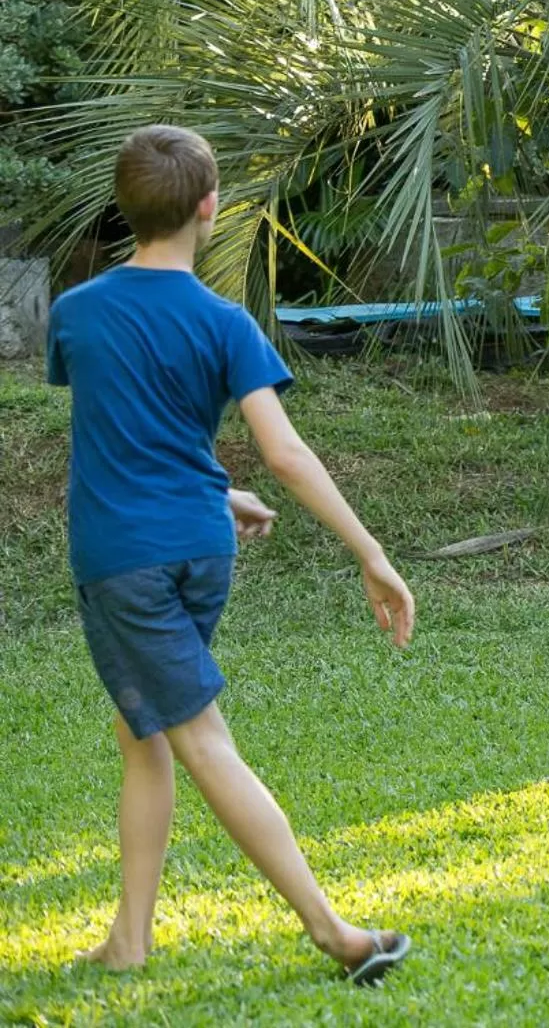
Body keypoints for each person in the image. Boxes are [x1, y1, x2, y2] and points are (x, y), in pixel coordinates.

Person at [47, 124, 415, 985]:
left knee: (200, 738)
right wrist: (359, 547)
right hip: (200, 550)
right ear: (209, 207)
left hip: (124, 561)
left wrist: (364, 550)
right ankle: (129, 938)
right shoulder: (226, 323)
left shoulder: (75, 313)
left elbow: (115, 437)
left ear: (124, 206)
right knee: (144, 729)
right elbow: (274, 451)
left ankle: (335, 932)